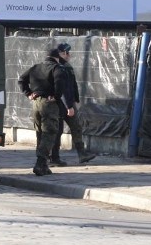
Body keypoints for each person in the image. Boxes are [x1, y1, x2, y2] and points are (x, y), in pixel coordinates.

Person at [17, 46, 71, 176]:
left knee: (40, 133)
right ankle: (40, 163)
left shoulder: (36, 67)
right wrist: (56, 97)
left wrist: (28, 93)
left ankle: (43, 164)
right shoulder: (57, 68)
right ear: (57, 57)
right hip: (48, 104)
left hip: (35, 103)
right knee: (50, 132)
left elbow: (21, 79)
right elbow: (59, 84)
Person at [48, 43, 96, 167]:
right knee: (57, 131)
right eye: (66, 52)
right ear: (61, 54)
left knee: (76, 127)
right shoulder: (57, 67)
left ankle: (82, 154)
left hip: (69, 102)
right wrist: (68, 106)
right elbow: (61, 89)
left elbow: (71, 85)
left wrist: (75, 99)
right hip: (60, 104)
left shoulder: (67, 67)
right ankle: (54, 157)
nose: (69, 55)